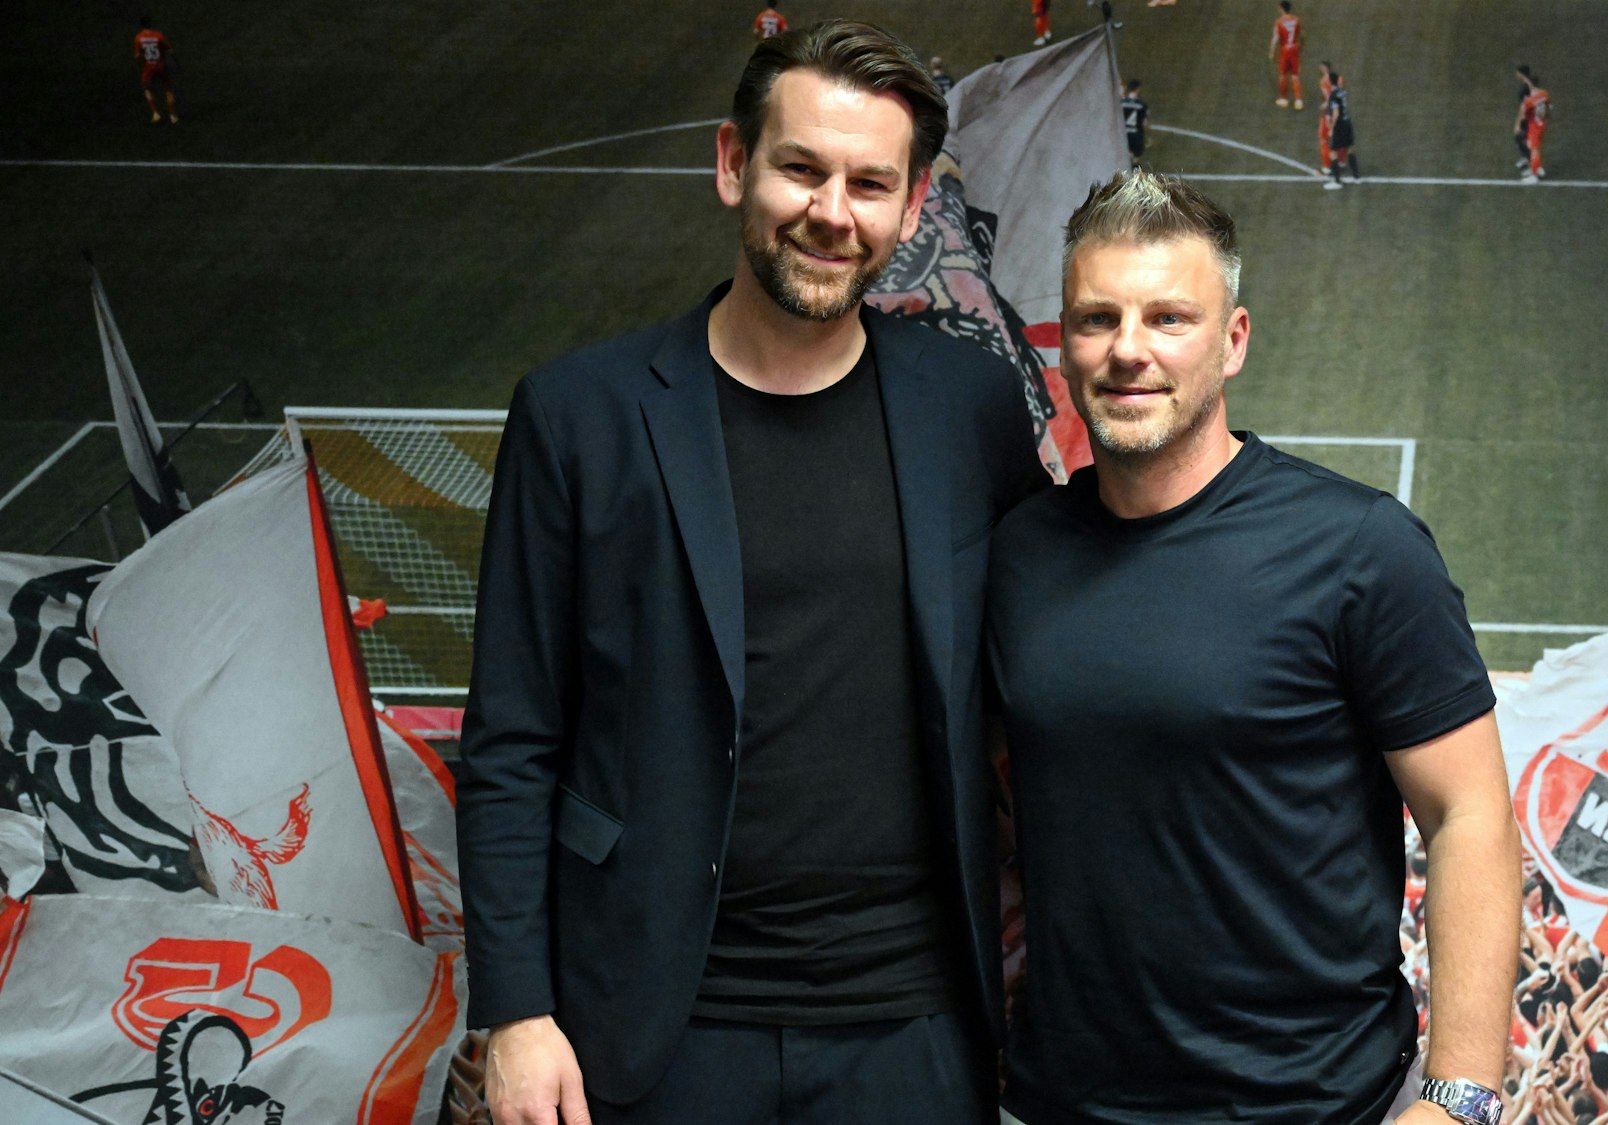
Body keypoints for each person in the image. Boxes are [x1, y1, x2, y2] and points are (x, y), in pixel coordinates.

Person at [457, 19, 1047, 1125]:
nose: (832, 212)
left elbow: (1051, 652)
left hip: (913, 1025)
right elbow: (510, 737)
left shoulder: (964, 405)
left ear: (912, 207)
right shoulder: (580, 415)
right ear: (733, 165)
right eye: (800, 169)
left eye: (870, 183)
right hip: (655, 1026)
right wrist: (516, 1012)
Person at [986, 170, 1522, 1125]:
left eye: (1168, 319)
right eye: (1096, 319)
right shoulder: (1021, 554)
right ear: (1062, 342)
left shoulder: (1362, 548)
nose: (1128, 351)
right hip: (1067, 1104)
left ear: (1233, 341)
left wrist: (1460, 1099)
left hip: (1319, 1106)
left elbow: (1468, 812)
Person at [133, 16, 177, 125]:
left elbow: (138, 55)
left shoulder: (139, 37)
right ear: (150, 24)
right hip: (161, 65)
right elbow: (169, 50)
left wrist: (141, 65)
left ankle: (156, 113)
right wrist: (176, 62)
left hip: (148, 67)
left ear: (141, 26)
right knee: (168, 89)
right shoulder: (158, 35)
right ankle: (173, 115)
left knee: (147, 88)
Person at [1322, 67, 1360, 184]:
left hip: (1340, 126)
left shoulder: (1333, 95)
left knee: (1333, 152)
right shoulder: (1342, 91)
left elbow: (1336, 112)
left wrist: (1331, 128)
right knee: (1350, 149)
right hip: (1347, 122)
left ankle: (1337, 181)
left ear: (1329, 82)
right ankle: (1356, 177)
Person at [1514, 66, 1549, 181]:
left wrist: (1519, 124)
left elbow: (1524, 112)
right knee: (1534, 147)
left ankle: (1534, 175)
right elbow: (1549, 107)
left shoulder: (1529, 100)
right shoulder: (1544, 93)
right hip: (1542, 123)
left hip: (1534, 125)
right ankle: (1537, 168)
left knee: (1533, 149)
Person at [1271, 1, 1305, 109]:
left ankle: (1284, 99)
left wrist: (1271, 52)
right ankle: (1298, 101)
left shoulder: (1279, 22)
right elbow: (1302, 35)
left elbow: (1275, 38)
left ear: (1281, 9)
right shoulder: (1296, 20)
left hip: (1284, 50)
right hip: (1294, 48)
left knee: (1283, 75)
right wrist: (1301, 46)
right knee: (1295, 75)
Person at [1121, 78, 1149, 166]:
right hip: (1136, 135)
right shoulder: (1141, 105)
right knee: (1135, 160)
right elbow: (1144, 123)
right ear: (1138, 89)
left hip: (1123, 135)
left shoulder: (1121, 103)